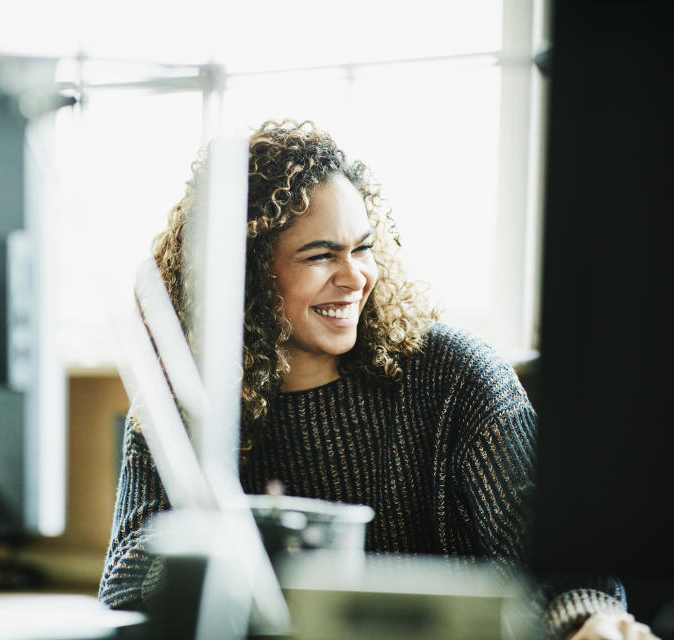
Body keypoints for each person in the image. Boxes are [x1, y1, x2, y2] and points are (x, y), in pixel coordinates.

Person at [99, 120, 655, 639]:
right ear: (244, 275)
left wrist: (586, 620)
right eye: (320, 255)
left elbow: (550, 549)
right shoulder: (185, 406)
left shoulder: (455, 376)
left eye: (362, 248)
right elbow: (124, 595)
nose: (354, 277)